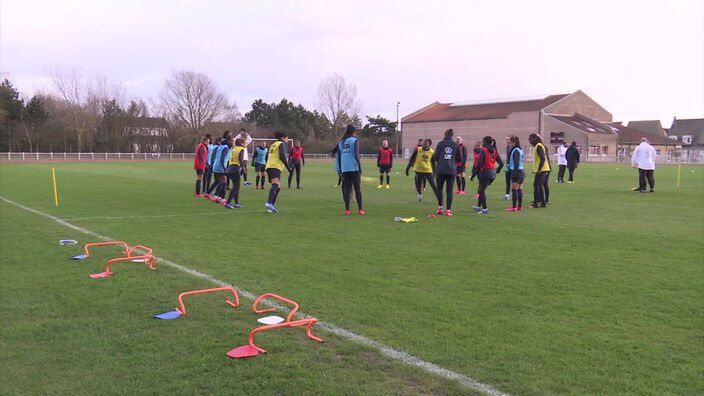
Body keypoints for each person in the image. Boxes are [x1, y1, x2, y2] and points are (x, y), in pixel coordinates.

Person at [470, 135, 504, 214]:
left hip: (485, 172)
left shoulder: (484, 150)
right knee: (481, 190)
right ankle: (478, 206)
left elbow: (479, 164)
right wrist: (497, 170)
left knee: (481, 191)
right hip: (492, 172)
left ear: (485, 142)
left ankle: (485, 209)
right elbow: (501, 163)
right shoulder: (494, 150)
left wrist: (473, 174)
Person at [337, 124, 365, 215]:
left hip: (345, 168)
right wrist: (360, 168)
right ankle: (360, 209)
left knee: (347, 189)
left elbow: (340, 157)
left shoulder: (341, 142)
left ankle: (347, 210)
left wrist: (341, 170)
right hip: (354, 167)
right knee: (357, 188)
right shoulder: (354, 141)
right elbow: (356, 155)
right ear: (353, 132)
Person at [433, 129, 462, 216]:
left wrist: (442, 160)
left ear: (445, 134)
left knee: (439, 189)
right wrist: (452, 161)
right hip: (452, 170)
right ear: (452, 136)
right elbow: (460, 158)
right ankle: (448, 211)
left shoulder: (440, 143)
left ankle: (440, 208)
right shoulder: (456, 145)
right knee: (449, 190)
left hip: (441, 169)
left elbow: (435, 157)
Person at [264, 131, 290, 213]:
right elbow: (282, 156)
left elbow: (266, 156)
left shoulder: (273, 144)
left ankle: (271, 206)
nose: (287, 139)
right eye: (287, 138)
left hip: (269, 166)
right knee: (275, 184)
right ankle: (269, 202)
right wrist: (288, 167)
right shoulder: (281, 144)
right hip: (275, 166)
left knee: (277, 187)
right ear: (283, 138)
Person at [405, 138, 438, 203]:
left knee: (433, 185)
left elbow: (433, 163)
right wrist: (408, 168)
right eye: (424, 144)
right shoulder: (417, 150)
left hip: (428, 170)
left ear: (429, 145)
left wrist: (435, 172)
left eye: (426, 145)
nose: (424, 146)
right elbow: (411, 159)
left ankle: (439, 199)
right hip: (418, 170)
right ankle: (420, 194)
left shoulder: (432, 152)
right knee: (418, 186)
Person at [528, 133, 550, 208]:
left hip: (542, 169)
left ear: (534, 139)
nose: (530, 141)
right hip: (543, 169)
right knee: (539, 185)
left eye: (530, 139)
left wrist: (539, 169)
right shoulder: (538, 146)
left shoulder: (539, 146)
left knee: (536, 185)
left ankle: (536, 204)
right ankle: (543, 203)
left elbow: (542, 158)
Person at [211, 136, 234, 204]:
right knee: (224, 183)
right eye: (232, 141)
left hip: (216, 166)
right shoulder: (226, 148)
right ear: (228, 141)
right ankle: (222, 199)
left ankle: (218, 197)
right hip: (220, 167)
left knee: (221, 182)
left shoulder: (221, 146)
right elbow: (222, 159)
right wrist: (225, 169)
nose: (233, 143)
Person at [504, 136, 525, 211]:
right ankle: (519, 206)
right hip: (521, 171)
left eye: (511, 143)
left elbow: (516, 162)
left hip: (517, 172)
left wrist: (514, 173)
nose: (509, 144)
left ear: (514, 143)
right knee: (519, 189)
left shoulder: (515, 150)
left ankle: (514, 207)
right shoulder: (520, 150)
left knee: (514, 189)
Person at [224, 139, 246, 209]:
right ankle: (228, 203)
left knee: (236, 186)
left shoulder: (234, 148)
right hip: (235, 168)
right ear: (242, 143)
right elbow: (240, 159)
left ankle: (236, 203)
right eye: (245, 143)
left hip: (230, 167)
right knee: (236, 186)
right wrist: (243, 168)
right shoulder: (241, 149)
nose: (245, 144)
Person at [502, 135, 513, 200]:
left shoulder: (513, 148)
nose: (507, 141)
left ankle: (519, 194)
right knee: (507, 180)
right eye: (506, 139)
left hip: (513, 166)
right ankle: (507, 195)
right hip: (507, 165)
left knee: (515, 181)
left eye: (508, 139)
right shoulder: (507, 147)